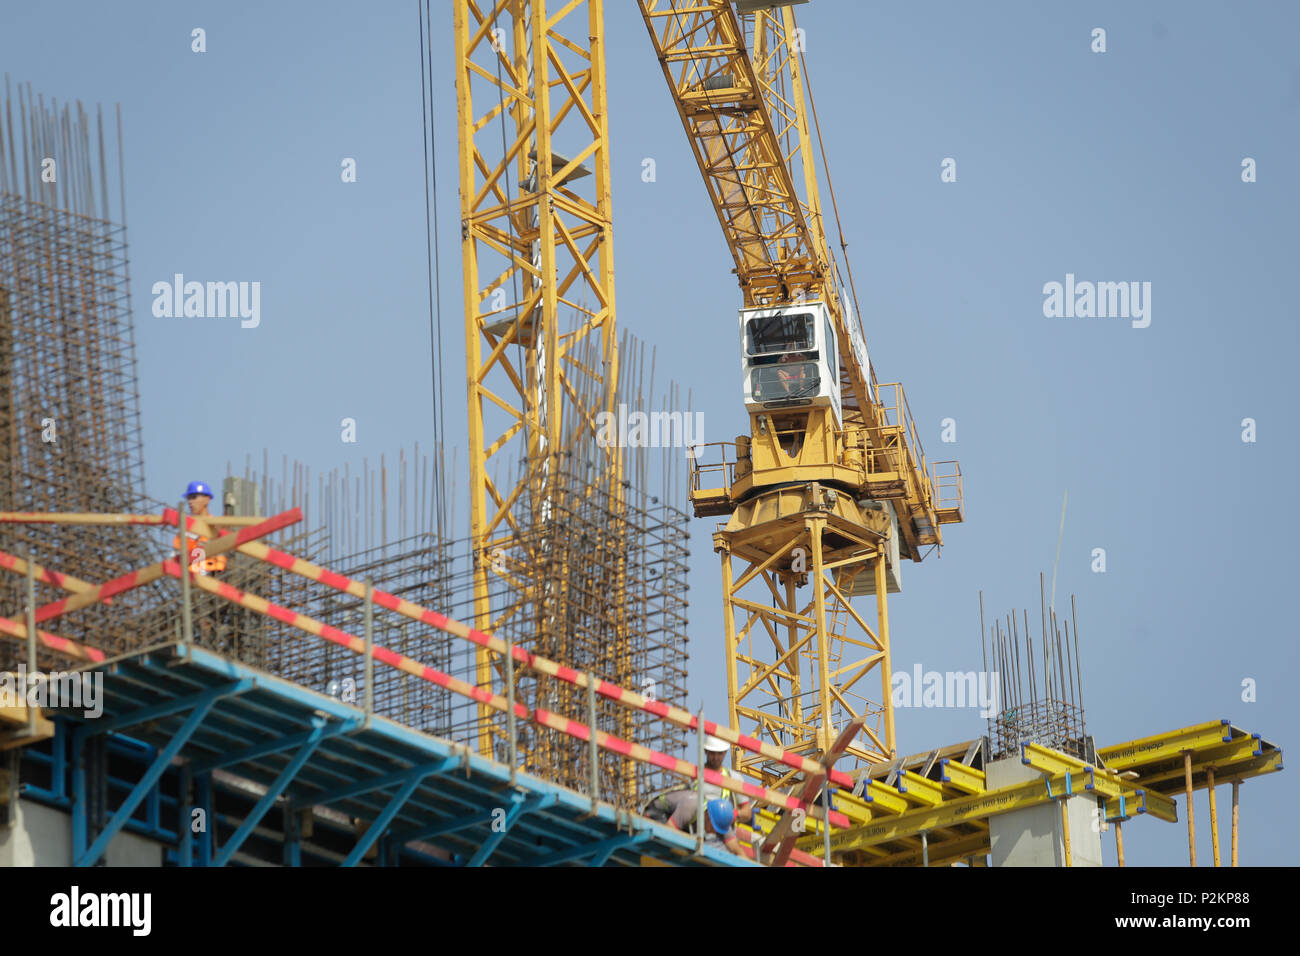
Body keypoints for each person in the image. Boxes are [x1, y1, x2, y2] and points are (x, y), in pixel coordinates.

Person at [645, 792, 742, 855]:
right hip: (657, 812)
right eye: (714, 828)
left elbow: (735, 848)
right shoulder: (690, 807)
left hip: (680, 823)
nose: (714, 833)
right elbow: (666, 832)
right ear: (707, 816)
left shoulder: (721, 820)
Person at [173, 481, 228, 575]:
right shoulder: (185, 529)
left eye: (194, 497)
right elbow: (176, 556)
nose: (190, 501)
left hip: (215, 576)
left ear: (207, 499)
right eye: (188, 498)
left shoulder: (217, 525)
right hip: (191, 579)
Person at [699, 735, 755, 826]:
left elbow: (747, 813)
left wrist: (732, 814)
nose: (716, 757)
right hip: (697, 825)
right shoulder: (694, 774)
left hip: (722, 828)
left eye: (719, 753)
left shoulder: (733, 778)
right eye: (712, 753)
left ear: (725, 753)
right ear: (706, 752)